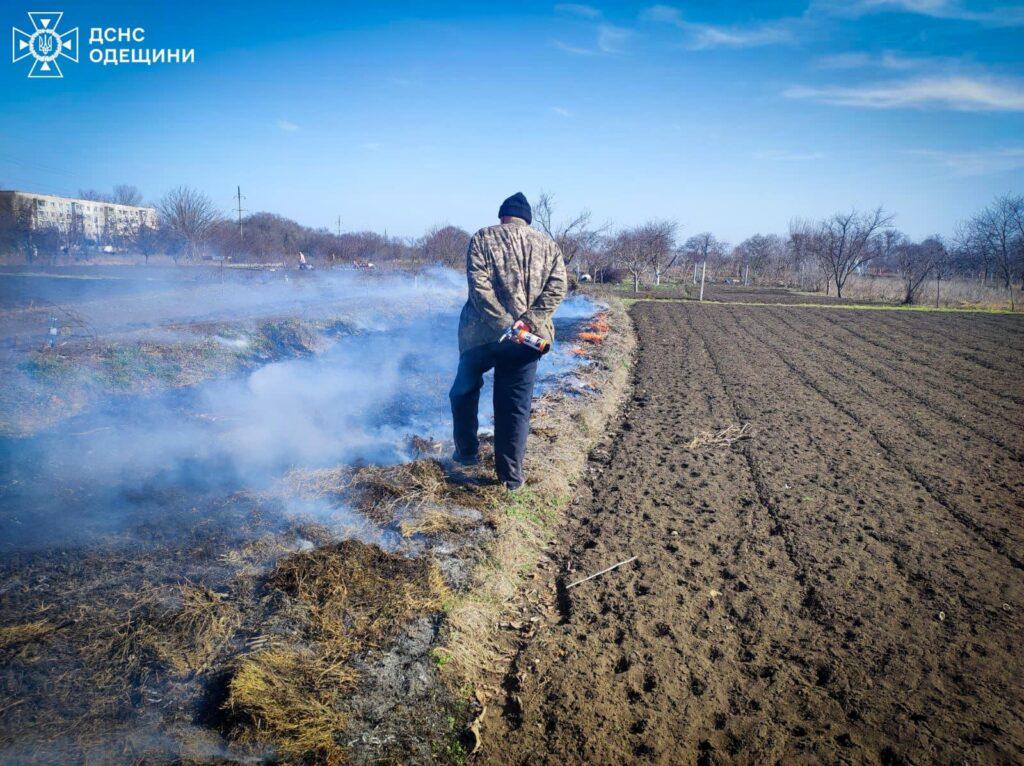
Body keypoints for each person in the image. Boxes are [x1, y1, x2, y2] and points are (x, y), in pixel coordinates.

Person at [449, 192, 567, 490]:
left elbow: (479, 288)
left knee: (463, 391)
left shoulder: (482, 238)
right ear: (527, 219)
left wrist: (504, 323)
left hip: (481, 336)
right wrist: (526, 322)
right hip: (527, 341)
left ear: (502, 216)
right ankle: (510, 479)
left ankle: (466, 454)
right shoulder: (548, 245)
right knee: (514, 406)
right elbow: (557, 288)